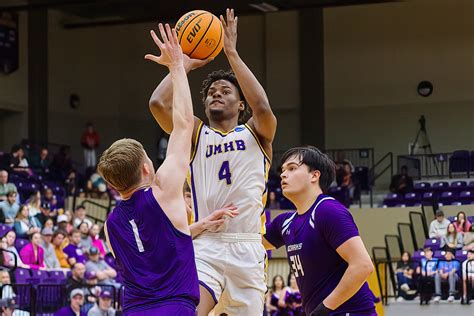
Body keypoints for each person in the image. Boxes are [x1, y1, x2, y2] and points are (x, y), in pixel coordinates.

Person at [148, 8, 277, 316]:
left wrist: (230, 52)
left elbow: (261, 104)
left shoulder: (257, 133)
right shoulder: (194, 133)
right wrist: (181, 67)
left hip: (247, 247)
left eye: (224, 91)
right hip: (207, 244)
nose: (215, 94)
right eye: (210, 93)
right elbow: (158, 103)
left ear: (240, 104)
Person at [99, 23, 200, 315]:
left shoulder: (110, 225)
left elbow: (153, 247)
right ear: (146, 167)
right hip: (174, 307)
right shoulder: (165, 192)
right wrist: (178, 66)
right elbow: (183, 125)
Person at [263, 146, 376, 316]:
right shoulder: (284, 222)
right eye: (283, 170)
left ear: (314, 175)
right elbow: (251, 242)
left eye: (292, 168)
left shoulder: (328, 210)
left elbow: (363, 265)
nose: (283, 174)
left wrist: (323, 309)